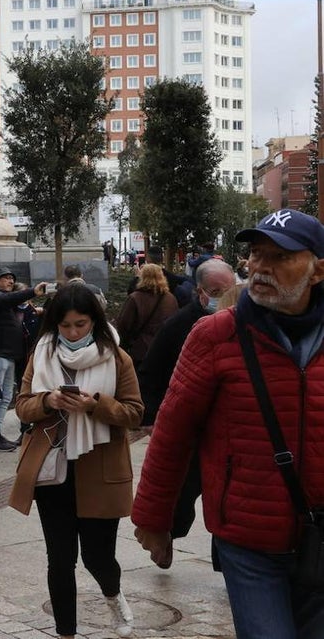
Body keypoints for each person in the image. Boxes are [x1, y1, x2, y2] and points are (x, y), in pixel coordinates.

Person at [133, 210, 324, 638]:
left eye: (279, 256)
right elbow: (172, 432)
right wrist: (154, 517)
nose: (260, 267)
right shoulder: (215, 335)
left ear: (317, 271)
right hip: (249, 538)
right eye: (256, 254)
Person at [9, 283, 143, 639]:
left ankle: (113, 594)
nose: (72, 333)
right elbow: (22, 405)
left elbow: (134, 413)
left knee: (98, 558)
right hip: (52, 471)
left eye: (80, 325)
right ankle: (65, 632)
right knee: (60, 560)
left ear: (93, 322)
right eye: (65, 326)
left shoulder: (116, 356)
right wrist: (48, 401)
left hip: (99, 469)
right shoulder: (41, 353)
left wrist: (95, 405)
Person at [135, 258, 236, 544]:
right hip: (189, 430)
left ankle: (225, 559)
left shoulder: (246, 323)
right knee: (182, 496)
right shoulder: (178, 325)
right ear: (200, 291)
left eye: (229, 290)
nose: (223, 298)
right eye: (216, 292)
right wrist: (151, 418)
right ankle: (167, 537)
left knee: (227, 502)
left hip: (229, 431)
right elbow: (151, 373)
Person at [0, 267, 50, 452]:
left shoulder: (7, 300)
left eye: (12, 278)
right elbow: (8, 299)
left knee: (6, 397)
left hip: (10, 355)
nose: (10, 281)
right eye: (5, 278)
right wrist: (32, 292)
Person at [114, 263, 177, 371]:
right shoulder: (170, 299)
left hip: (140, 351)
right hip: (164, 350)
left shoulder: (135, 298)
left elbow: (124, 324)